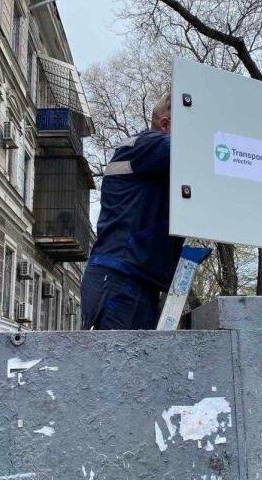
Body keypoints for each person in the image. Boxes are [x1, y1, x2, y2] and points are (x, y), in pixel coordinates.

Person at [82, 93, 186, 330]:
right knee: (118, 363)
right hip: (120, 276)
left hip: (132, 278)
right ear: (166, 125)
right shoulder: (148, 143)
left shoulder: (152, 158)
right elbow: (193, 151)